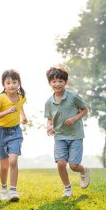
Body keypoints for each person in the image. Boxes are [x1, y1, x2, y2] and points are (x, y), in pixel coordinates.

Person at [44, 66, 90, 198]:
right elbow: (49, 119)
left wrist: (75, 119)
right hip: (59, 136)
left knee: (74, 166)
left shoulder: (73, 96)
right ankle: (67, 188)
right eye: (54, 81)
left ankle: (84, 171)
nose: (57, 84)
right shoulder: (49, 102)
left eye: (60, 81)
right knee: (60, 163)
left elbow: (85, 109)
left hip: (75, 135)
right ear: (50, 83)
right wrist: (49, 126)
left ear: (66, 82)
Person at [0, 69, 27, 202]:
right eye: (8, 83)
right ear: (4, 85)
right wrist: (7, 111)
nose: (11, 85)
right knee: (4, 164)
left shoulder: (22, 96)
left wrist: (23, 117)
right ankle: (4, 187)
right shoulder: (0, 98)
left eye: (14, 82)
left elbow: (20, 106)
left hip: (15, 131)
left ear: (19, 83)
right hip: (1, 133)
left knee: (13, 160)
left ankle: (13, 190)